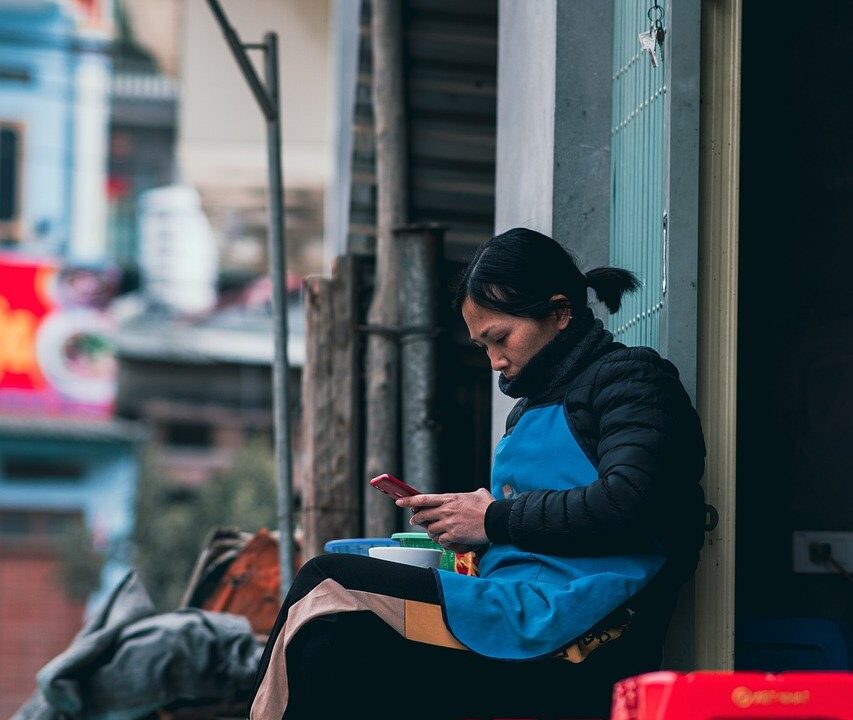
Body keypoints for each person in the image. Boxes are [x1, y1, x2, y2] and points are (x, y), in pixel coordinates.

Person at [248, 228, 707, 720]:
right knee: (333, 634)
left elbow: (631, 501)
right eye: (482, 346)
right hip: (513, 607)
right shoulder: (529, 411)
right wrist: (465, 529)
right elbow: (532, 526)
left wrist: (491, 520)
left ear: (560, 312)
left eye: (500, 339)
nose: (494, 361)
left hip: (572, 630)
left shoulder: (631, 379)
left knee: (327, 585)